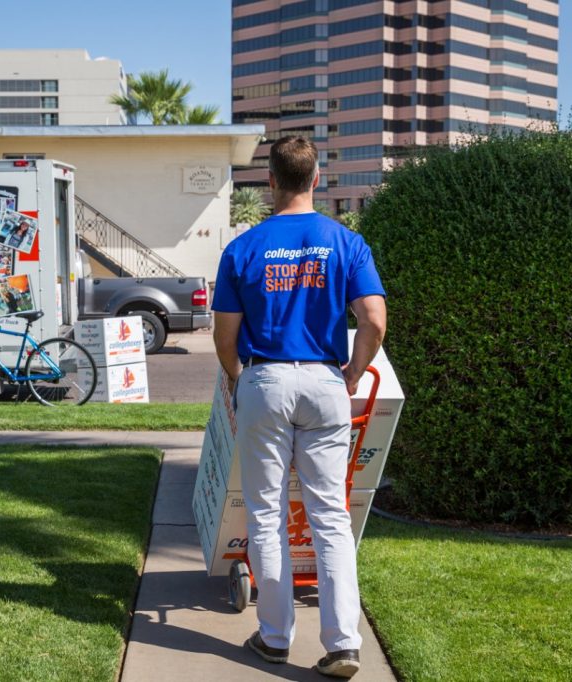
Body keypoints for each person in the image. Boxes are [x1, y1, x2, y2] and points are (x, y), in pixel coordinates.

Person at [212, 136, 387, 679]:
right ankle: (343, 644)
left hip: (264, 378)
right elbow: (374, 321)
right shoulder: (345, 242)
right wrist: (351, 374)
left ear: (270, 181)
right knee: (330, 516)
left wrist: (240, 380)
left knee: (266, 514)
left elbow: (224, 337)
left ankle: (274, 638)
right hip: (324, 381)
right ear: (316, 179)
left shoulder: (243, 247)